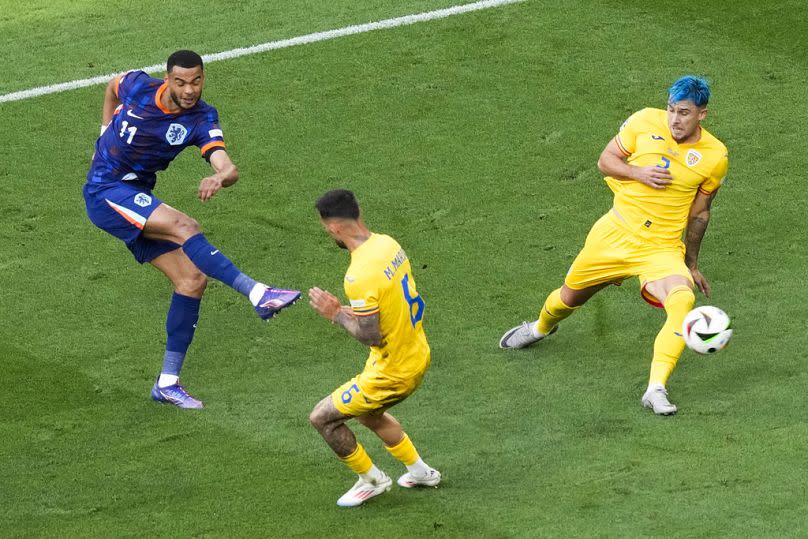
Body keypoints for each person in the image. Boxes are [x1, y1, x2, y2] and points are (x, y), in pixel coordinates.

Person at [83, 50, 300, 409]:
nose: (189, 90)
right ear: (167, 79)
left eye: (196, 81)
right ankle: (257, 293)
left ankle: (167, 383)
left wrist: (220, 177)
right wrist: (102, 134)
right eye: (181, 82)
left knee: (191, 281)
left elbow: (228, 167)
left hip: (135, 193)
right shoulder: (138, 86)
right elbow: (111, 88)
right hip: (105, 190)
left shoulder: (201, 118)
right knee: (185, 224)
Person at [499, 76, 729, 416]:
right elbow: (606, 161)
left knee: (683, 301)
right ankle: (539, 328)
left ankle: (655, 388)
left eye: (683, 113)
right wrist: (639, 174)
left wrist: (691, 263)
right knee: (568, 298)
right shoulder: (642, 121)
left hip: (661, 248)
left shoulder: (715, 156)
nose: (674, 120)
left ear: (702, 115)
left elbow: (699, 213)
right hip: (615, 234)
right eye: (670, 110)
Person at [308, 189, 441, 507]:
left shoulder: (359, 275)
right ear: (358, 212)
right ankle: (421, 472)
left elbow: (371, 335)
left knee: (322, 418)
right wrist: (349, 310)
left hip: (392, 371)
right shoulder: (387, 244)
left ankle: (372, 480)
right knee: (368, 413)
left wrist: (336, 313)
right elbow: (388, 304)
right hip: (416, 351)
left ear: (333, 227)